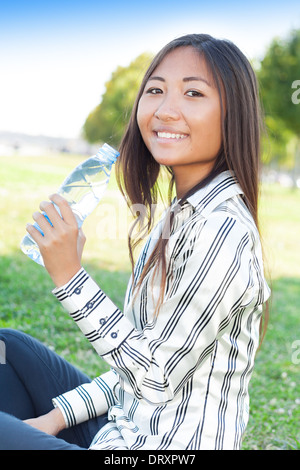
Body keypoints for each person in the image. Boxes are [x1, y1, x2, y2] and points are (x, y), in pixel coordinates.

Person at [0, 33, 270, 450]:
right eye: (156, 90)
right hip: (120, 434)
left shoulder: (223, 231)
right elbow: (138, 360)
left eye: (193, 93)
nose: (165, 110)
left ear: (233, 115)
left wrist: (71, 277)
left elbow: (157, 376)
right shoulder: (179, 216)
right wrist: (52, 419)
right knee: (6, 349)